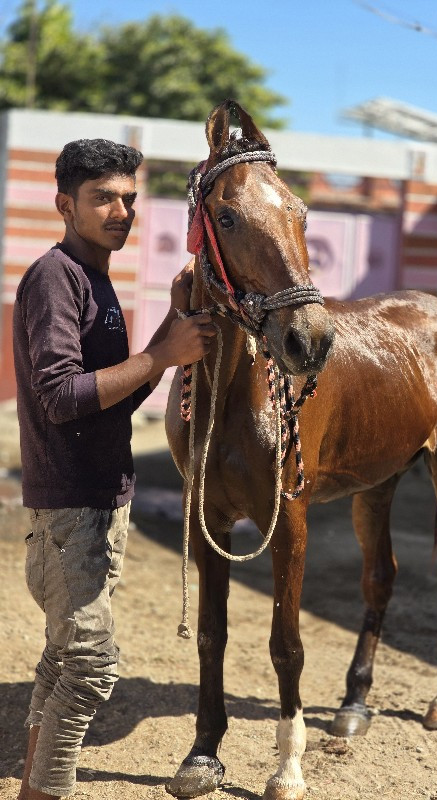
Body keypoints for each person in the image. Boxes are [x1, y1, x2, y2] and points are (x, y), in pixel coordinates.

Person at [12, 138, 214, 800]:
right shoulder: (56, 277)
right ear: (65, 205)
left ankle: (31, 791)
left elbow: (117, 398)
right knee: (91, 667)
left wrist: (170, 333)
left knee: (61, 662)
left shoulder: (97, 281)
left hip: (101, 502)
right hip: (71, 508)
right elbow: (60, 395)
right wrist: (160, 356)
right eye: (102, 198)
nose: (120, 210)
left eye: (129, 198)